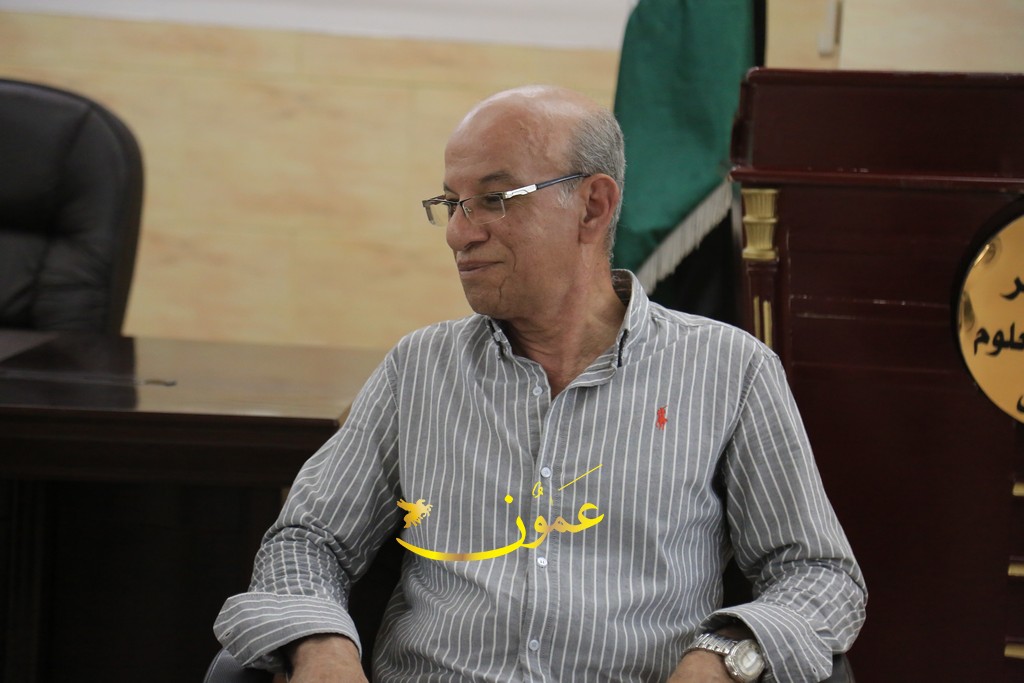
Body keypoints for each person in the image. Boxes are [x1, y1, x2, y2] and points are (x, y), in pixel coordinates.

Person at [215, 85, 866, 683]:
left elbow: (819, 575)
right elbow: (308, 539)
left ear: (593, 206)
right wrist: (321, 644)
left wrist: (727, 654)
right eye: (451, 203)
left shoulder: (730, 371)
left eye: (494, 200)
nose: (459, 233)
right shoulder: (420, 369)